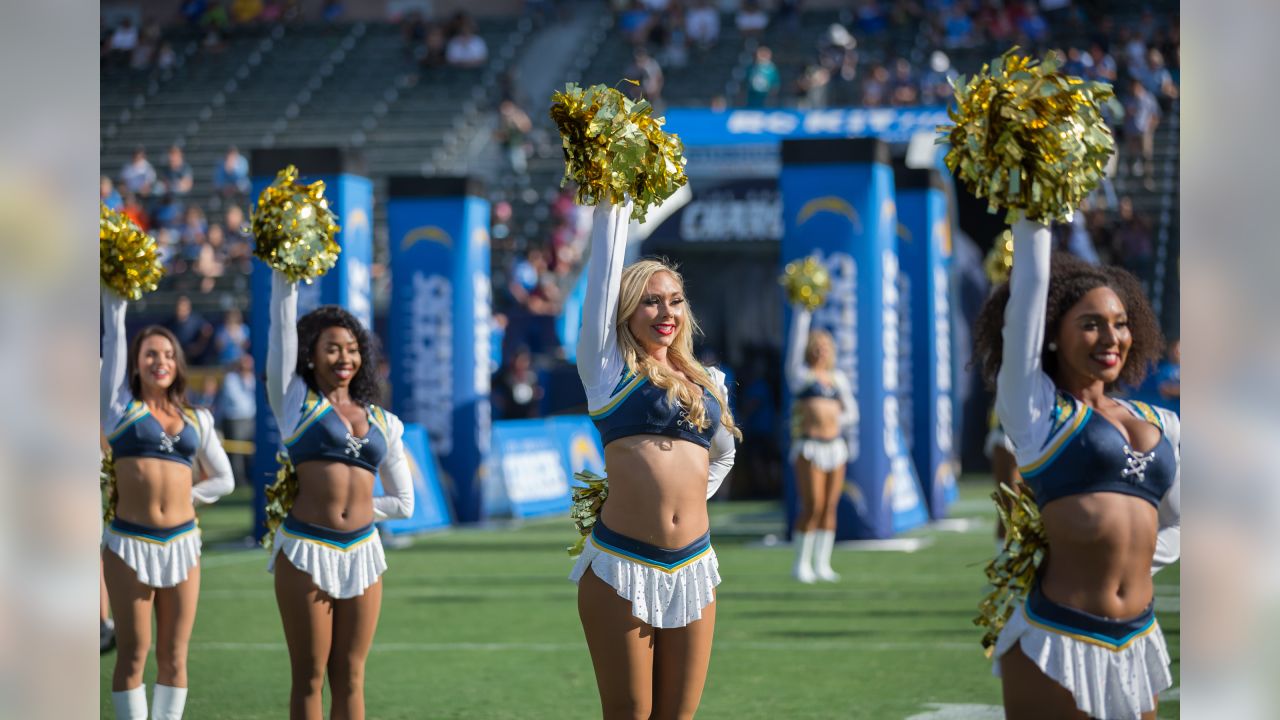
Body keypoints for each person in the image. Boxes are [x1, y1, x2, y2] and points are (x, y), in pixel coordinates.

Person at [975, 219, 1179, 719]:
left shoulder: (1164, 423)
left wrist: (1126, 557)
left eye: (1121, 322)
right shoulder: (1037, 414)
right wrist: (1034, 218)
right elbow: (1025, 300)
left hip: (1138, 636)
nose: (1111, 336)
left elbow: (1176, 519)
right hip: (1058, 637)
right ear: (1050, 336)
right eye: (1090, 323)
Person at [570, 201, 740, 719]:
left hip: (694, 564)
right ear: (626, 311)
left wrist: (687, 499)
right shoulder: (606, 372)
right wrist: (610, 202)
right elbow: (601, 279)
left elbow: (724, 456)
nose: (666, 313)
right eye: (650, 302)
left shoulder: (709, 382)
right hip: (623, 564)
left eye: (675, 301)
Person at [265, 268, 414, 719]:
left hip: (363, 553)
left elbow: (403, 503)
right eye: (331, 348)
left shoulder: (386, 422)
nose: (343, 357)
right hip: (307, 549)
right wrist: (283, 276)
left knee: (350, 676)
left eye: (351, 349)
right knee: (309, 676)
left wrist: (356, 511)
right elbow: (279, 333)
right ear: (310, 355)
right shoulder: (294, 402)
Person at [101, 289, 234, 719]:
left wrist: (188, 496)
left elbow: (225, 479)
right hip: (129, 543)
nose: (160, 362)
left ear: (178, 364)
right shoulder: (118, 410)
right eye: (150, 354)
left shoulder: (199, 419)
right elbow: (113, 343)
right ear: (135, 364)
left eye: (168, 355)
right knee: (134, 654)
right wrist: (113, 297)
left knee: (175, 655)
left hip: (183, 542)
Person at [785, 302, 854, 583]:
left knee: (829, 506)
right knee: (812, 504)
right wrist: (803, 314)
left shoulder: (838, 379)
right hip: (810, 446)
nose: (820, 350)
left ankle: (822, 563)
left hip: (835, 446)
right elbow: (794, 350)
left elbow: (852, 412)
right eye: (816, 345)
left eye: (825, 345)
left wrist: (836, 419)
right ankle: (800, 563)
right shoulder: (801, 377)